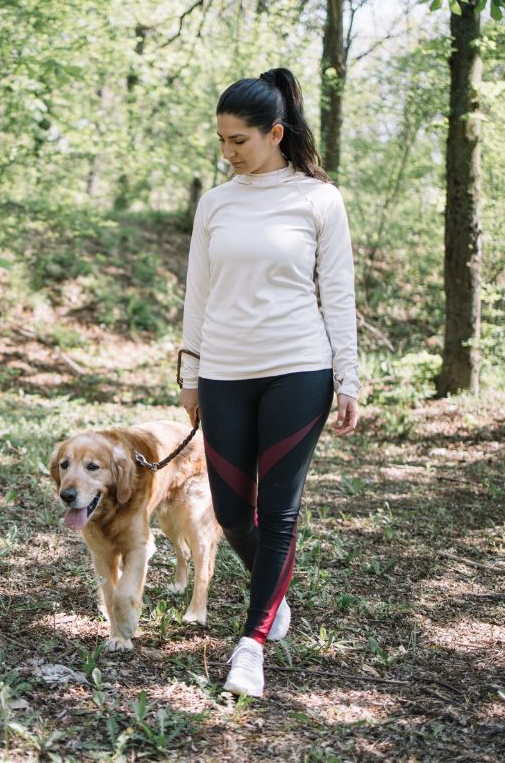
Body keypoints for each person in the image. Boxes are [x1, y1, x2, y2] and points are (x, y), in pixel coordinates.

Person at [179, 68, 360, 698]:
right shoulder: (215, 202)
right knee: (232, 513)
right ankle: (273, 592)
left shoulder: (318, 199)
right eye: (221, 140)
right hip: (224, 371)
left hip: (299, 370)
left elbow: (337, 292)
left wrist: (349, 378)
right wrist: (189, 373)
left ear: (275, 133)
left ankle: (251, 644)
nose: (227, 153)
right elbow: (196, 294)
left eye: (239, 141)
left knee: (278, 514)